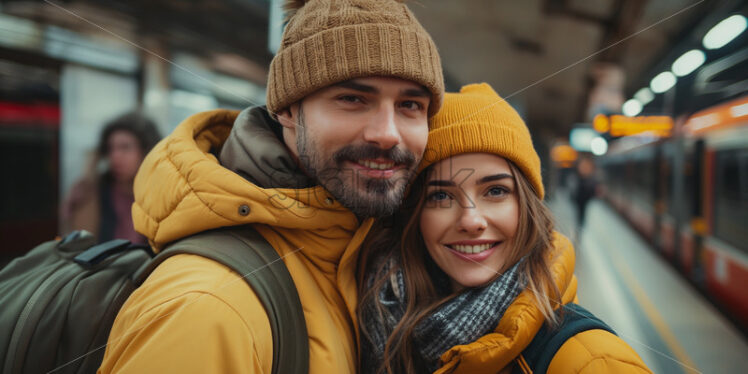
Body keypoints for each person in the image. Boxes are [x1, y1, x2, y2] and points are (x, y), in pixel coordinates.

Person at [97, 0, 444, 373]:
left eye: (410, 105)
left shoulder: (363, 263)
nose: (387, 134)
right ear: (287, 110)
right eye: (353, 99)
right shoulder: (207, 307)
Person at [358, 84, 652, 374]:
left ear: (526, 208)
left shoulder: (594, 362)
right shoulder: (376, 323)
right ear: (414, 215)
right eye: (441, 196)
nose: (471, 221)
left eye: (495, 191)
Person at [60, 112, 160, 244]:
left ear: (146, 150)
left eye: (125, 147)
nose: (115, 156)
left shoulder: (159, 195)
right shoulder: (92, 193)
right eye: (110, 148)